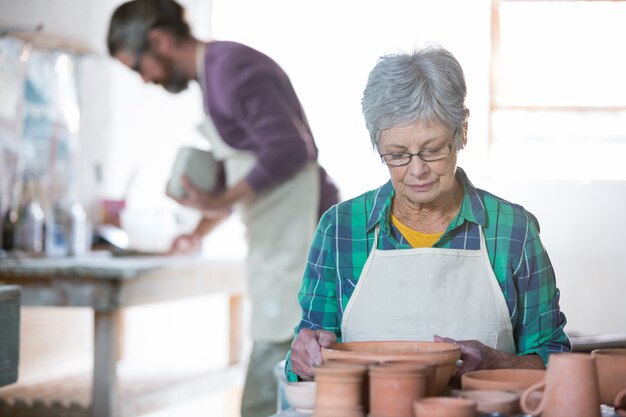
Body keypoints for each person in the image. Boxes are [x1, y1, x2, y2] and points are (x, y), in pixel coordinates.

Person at [106, 1, 340, 416]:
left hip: (299, 241)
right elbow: (249, 174)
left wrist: (219, 200)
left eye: (138, 66)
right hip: (275, 244)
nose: (144, 79)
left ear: (159, 40)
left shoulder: (229, 68)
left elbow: (288, 149)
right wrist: (199, 230)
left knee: (279, 363)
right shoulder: (214, 76)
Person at [286, 44, 570, 385]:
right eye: (398, 154)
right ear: (378, 146)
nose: (417, 170)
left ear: (462, 130)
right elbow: (303, 359)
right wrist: (304, 356)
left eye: (433, 150)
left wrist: (496, 362)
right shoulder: (340, 229)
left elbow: (556, 361)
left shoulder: (513, 231)